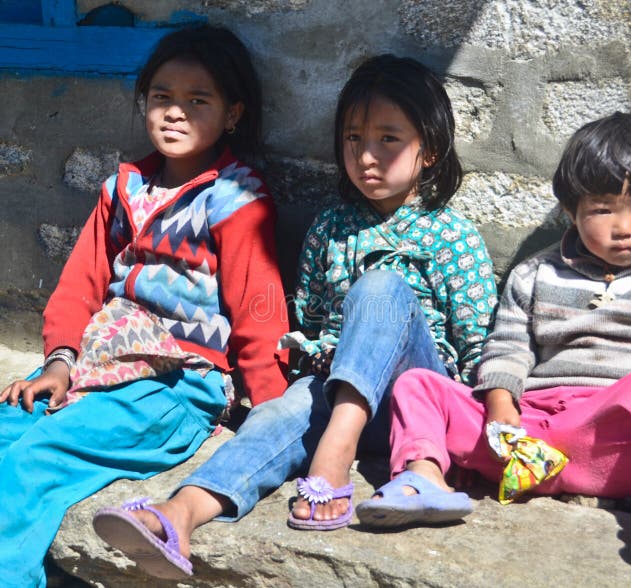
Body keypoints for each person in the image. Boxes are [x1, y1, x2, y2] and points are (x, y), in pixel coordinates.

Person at [91, 53, 497, 579]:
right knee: (275, 416)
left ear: (431, 151)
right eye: (353, 139)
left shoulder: (451, 237)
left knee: (381, 287)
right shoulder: (331, 226)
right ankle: (178, 515)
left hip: (415, 405)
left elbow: (477, 345)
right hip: (336, 386)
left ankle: (334, 454)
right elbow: (309, 318)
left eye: (388, 139)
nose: (367, 157)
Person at [355, 95, 631, 572]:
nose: (623, 228)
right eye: (602, 210)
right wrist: (503, 411)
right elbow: (507, 348)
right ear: (570, 209)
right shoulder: (535, 275)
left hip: (619, 443)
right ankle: (424, 481)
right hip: (530, 439)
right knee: (419, 384)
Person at [0, 24, 288, 587]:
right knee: (10, 426)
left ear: (232, 114)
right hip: (96, 365)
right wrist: (59, 362)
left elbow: (259, 313)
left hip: (175, 390)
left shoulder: (236, 200)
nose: (175, 113)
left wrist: (267, 416)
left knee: (34, 465)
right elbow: (79, 287)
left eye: (197, 100)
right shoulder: (122, 190)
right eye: (162, 98)